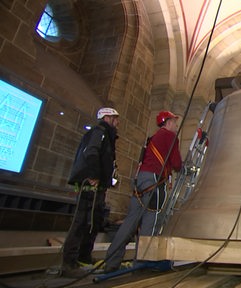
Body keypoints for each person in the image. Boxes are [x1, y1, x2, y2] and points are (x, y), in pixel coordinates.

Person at [103, 110, 182, 273]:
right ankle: (143, 262)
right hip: (154, 181)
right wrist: (183, 168)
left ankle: (112, 260)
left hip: (140, 182)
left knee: (130, 222)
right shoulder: (170, 137)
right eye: (174, 122)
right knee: (151, 222)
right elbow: (176, 163)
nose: (176, 125)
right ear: (167, 123)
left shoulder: (152, 139)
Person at [61, 107, 120, 277]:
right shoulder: (99, 132)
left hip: (99, 186)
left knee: (93, 222)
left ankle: (84, 257)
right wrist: (94, 175)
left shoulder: (107, 136)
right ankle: (69, 263)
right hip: (90, 185)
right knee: (81, 222)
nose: (117, 123)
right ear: (107, 118)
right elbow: (91, 152)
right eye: (115, 119)